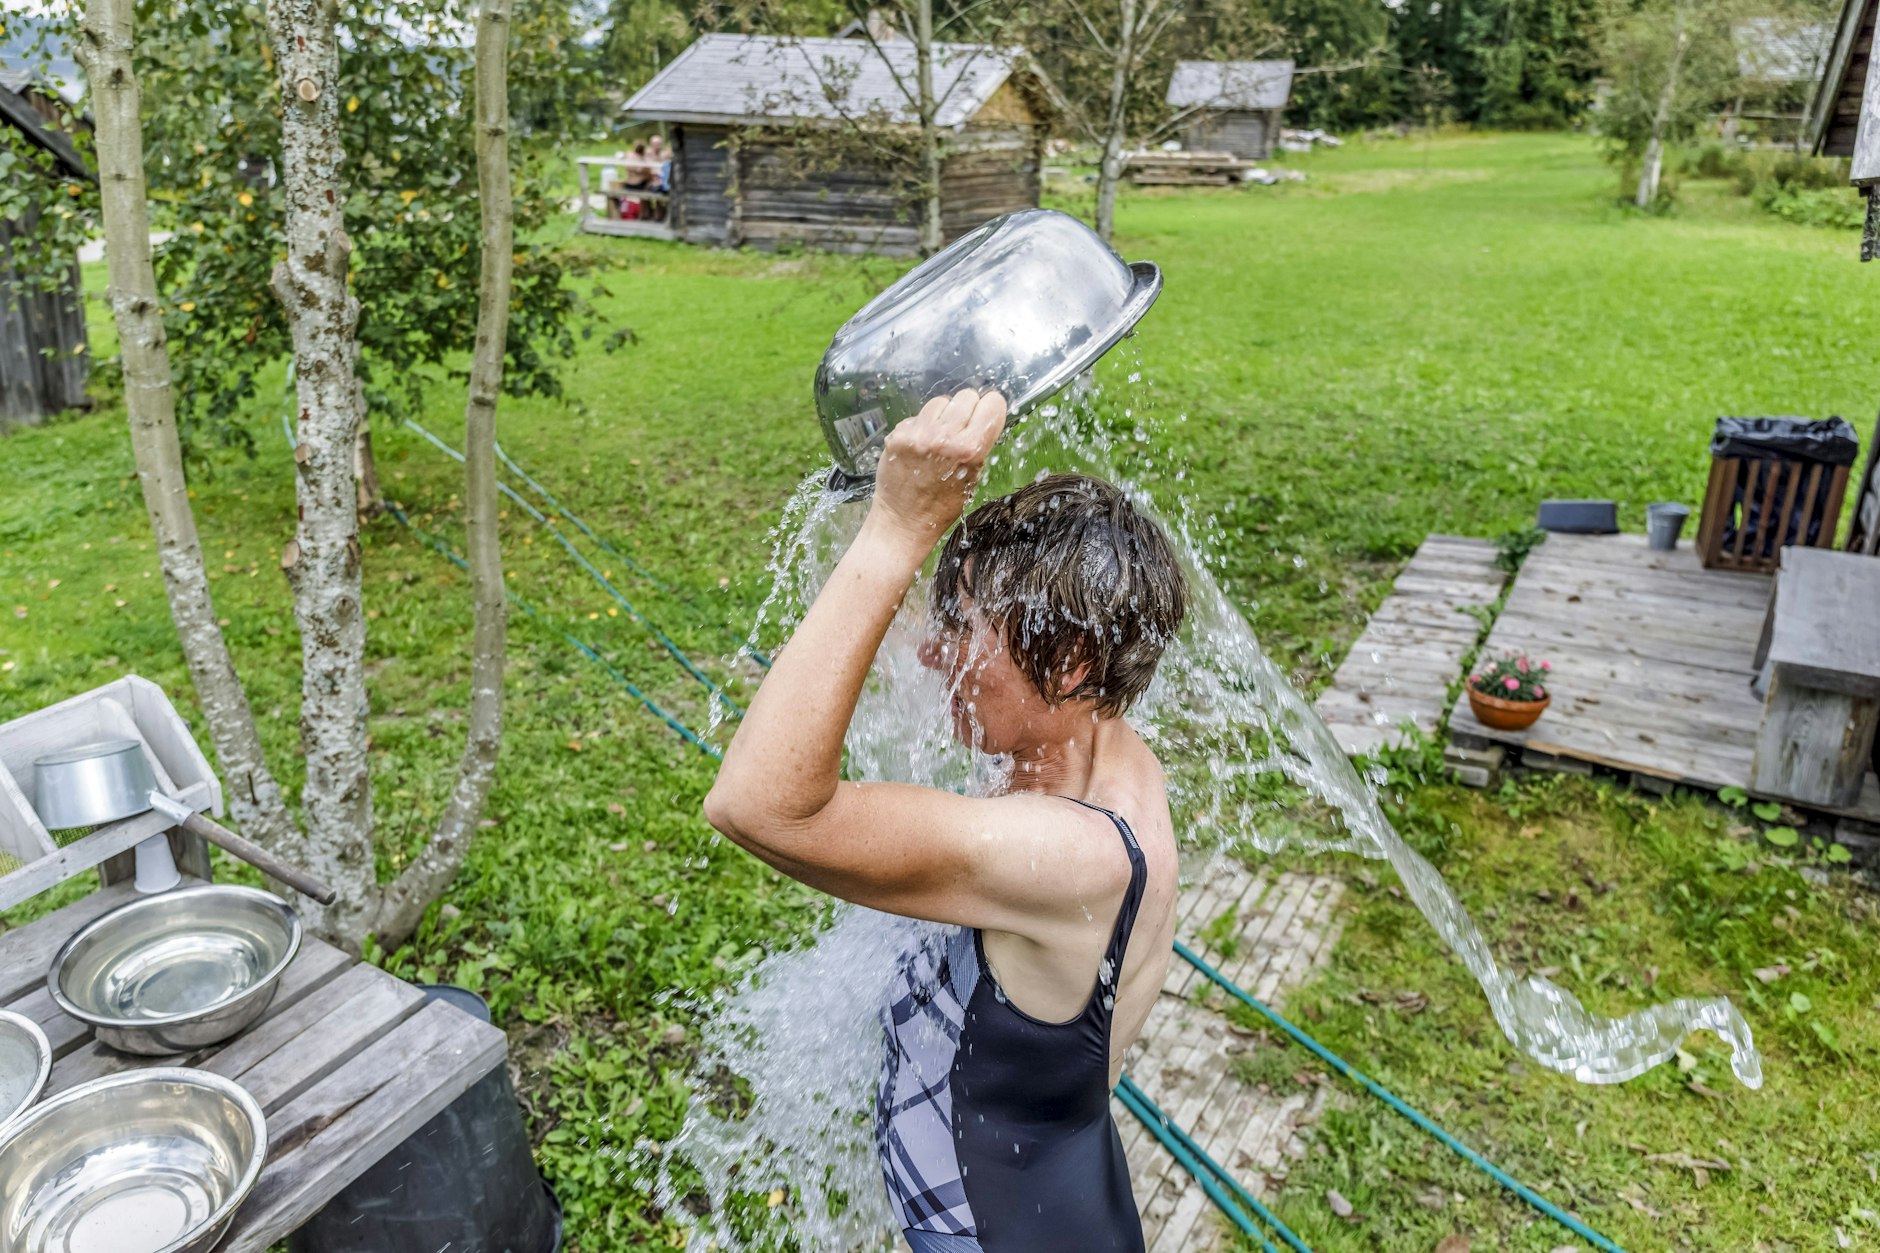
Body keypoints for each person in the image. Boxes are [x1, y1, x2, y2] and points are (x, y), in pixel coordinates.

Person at [705, 388, 1188, 1253]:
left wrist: (895, 533)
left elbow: (756, 805)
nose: (931, 654)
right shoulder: (1095, 741)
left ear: (1070, 660)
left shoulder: (1069, 856)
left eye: (958, 630)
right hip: (1054, 1189)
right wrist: (894, 498)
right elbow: (866, 635)